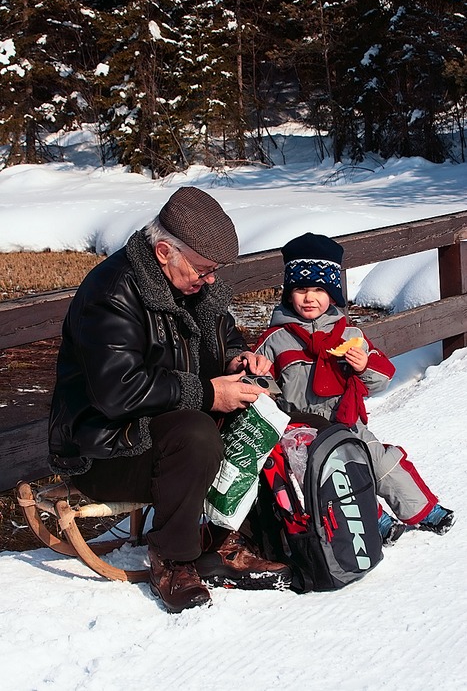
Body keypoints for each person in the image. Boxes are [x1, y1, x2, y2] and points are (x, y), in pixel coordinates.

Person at [48, 186, 291, 614]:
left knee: (261, 416)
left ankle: (224, 539)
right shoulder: (111, 292)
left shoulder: (192, 284)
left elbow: (223, 334)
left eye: (214, 270)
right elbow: (117, 391)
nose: (211, 279)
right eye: (204, 269)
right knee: (197, 433)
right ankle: (174, 560)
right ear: (164, 251)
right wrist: (210, 393)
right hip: (105, 449)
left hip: (161, 428)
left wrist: (238, 358)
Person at [254, 232, 455, 544]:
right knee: (336, 476)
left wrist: (363, 366)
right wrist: (258, 377)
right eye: (301, 289)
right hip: (303, 434)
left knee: (381, 460)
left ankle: (423, 510)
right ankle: (378, 521)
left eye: (318, 290)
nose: (309, 298)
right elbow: (259, 386)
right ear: (288, 294)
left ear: (332, 293)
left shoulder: (349, 334)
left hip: (349, 423)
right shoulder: (275, 340)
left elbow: (381, 379)